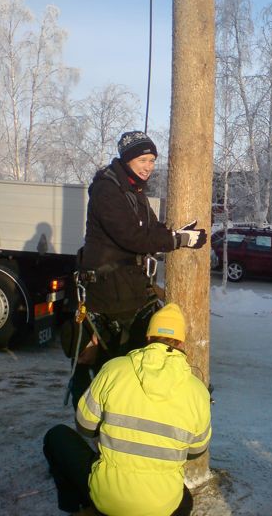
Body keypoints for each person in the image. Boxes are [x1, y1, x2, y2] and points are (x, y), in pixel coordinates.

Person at [66, 131, 207, 408]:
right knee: (115, 364)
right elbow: (132, 237)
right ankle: (95, 413)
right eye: (143, 160)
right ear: (127, 159)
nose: (148, 166)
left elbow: (151, 229)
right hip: (109, 292)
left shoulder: (134, 191)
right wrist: (178, 240)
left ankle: (118, 407)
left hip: (128, 288)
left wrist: (173, 233)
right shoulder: (107, 190)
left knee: (129, 358)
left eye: (152, 160)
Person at [45, 302, 212, 516]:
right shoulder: (198, 391)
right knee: (184, 500)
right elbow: (196, 451)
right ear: (181, 342)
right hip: (161, 506)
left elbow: (85, 427)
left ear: (148, 337)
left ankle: (80, 509)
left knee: (56, 436)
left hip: (108, 497)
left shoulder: (114, 369)